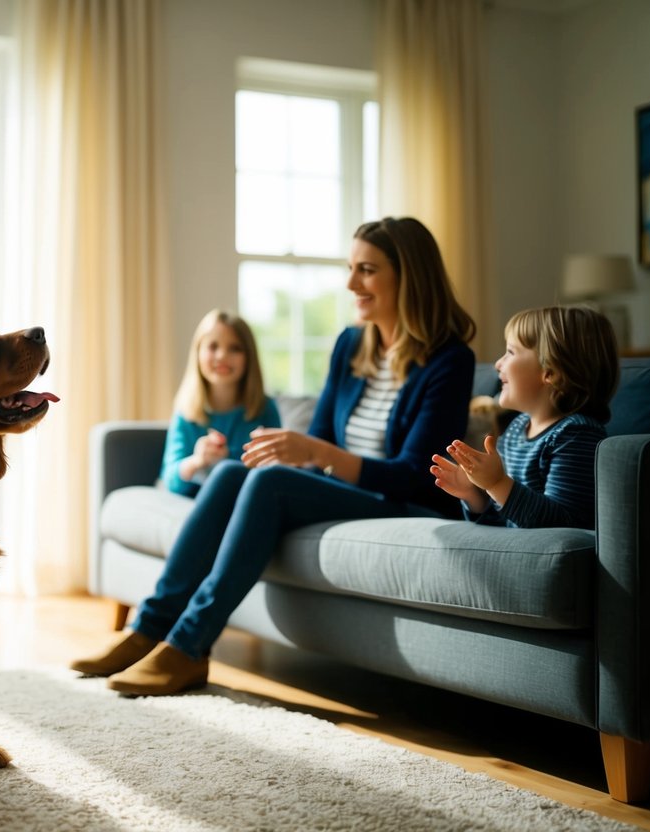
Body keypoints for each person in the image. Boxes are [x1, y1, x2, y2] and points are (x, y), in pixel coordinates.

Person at [70, 217, 476, 695]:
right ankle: (148, 629)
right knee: (229, 474)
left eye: (366, 270)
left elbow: (414, 475)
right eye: (351, 268)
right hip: (347, 490)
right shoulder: (351, 345)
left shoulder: (450, 360)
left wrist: (313, 453)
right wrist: (295, 453)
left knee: (268, 483)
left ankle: (189, 643)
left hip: (406, 501)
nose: (350, 283)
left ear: (408, 276)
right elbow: (322, 435)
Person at [430, 306, 618, 529]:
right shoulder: (516, 429)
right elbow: (506, 521)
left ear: (551, 372)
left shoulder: (576, 434)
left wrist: (497, 483)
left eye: (510, 352)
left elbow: (565, 524)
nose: (498, 364)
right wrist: (474, 495)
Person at [161, 309, 280, 498]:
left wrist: (227, 457)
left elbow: (274, 471)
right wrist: (197, 460)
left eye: (234, 348)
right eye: (213, 346)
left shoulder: (264, 409)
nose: (222, 356)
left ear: (248, 358)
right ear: (198, 353)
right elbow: (170, 479)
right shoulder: (186, 411)